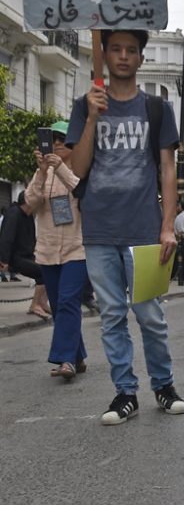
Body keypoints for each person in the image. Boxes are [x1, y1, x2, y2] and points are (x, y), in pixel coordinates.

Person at [66, 28, 184, 425]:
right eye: (114, 48)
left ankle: (164, 385)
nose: (122, 56)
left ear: (140, 58)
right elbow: (77, 169)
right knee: (112, 315)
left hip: (144, 230)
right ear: (104, 54)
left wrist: (167, 225)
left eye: (130, 50)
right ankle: (125, 393)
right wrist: (91, 119)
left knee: (149, 314)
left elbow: (167, 168)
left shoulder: (157, 108)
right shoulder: (84, 106)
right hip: (100, 228)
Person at [25, 121, 89, 379]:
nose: (58, 144)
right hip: (48, 250)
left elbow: (81, 191)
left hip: (77, 248)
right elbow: (29, 203)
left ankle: (66, 360)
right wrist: (42, 172)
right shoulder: (43, 173)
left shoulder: (81, 171)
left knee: (66, 302)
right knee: (62, 304)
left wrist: (60, 167)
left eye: (63, 139)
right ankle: (78, 356)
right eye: (53, 139)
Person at [0, 192, 50, 319]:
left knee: (51, 269)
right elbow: (6, 237)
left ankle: (42, 302)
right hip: (15, 258)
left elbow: (31, 240)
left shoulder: (28, 216)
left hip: (27, 256)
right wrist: (4, 260)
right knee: (42, 272)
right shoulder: (14, 213)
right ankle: (34, 305)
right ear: (29, 201)